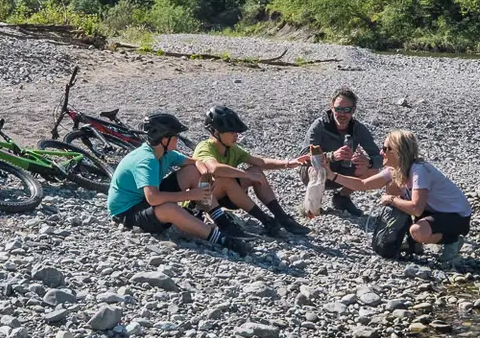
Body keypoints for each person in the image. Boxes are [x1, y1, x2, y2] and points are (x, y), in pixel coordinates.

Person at [106, 112, 249, 256]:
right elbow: (153, 198)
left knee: (191, 171)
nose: (178, 140)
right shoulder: (147, 161)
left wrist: (205, 174)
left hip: (143, 199)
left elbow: (196, 162)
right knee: (170, 209)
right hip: (126, 212)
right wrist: (191, 195)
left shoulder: (164, 153)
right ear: (164, 139)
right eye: (176, 137)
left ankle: (222, 222)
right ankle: (222, 239)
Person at [325, 130, 472, 263]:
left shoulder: (419, 170)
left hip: (456, 216)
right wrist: (332, 175)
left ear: (399, 151)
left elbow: (416, 209)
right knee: (392, 185)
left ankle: (453, 241)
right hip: (432, 211)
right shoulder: (395, 169)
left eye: (385, 149)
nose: (381, 152)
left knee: (417, 231)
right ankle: (413, 241)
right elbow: (363, 184)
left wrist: (392, 199)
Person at [192, 106, 314, 238]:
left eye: (236, 132)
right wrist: (246, 174)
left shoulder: (232, 148)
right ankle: (266, 220)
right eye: (231, 132)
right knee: (225, 180)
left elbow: (260, 162)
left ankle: (282, 218)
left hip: (225, 196)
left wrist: (288, 163)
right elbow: (215, 168)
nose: (236, 135)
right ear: (216, 132)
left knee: (256, 171)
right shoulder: (205, 147)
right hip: (202, 200)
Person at [304, 87, 381, 219]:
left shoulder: (357, 128)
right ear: (331, 107)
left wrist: (369, 162)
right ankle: (311, 208)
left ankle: (341, 198)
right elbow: (304, 156)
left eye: (347, 110)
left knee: (373, 170)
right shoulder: (320, 125)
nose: (342, 114)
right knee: (316, 169)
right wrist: (332, 156)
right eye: (338, 109)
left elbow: (381, 157)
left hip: (341, 172)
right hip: (316, 171)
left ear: (353, 110)